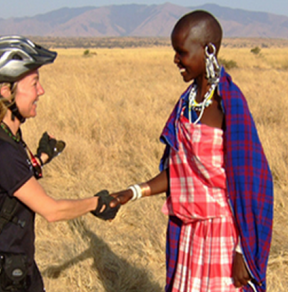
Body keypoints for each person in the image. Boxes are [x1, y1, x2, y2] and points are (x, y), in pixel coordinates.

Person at [107, 11, 275, 292]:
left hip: (224, 235)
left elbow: (255, 184)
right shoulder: (186, 104)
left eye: (181, 52)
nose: (175, 60)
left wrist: (243, 250)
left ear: (208, 50)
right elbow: (180, 174)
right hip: (190, 234)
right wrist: (132, 193)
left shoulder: (229, 104)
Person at [0, 36, 119, 292]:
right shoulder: (1, 151)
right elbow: (52, 210)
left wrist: (42, 158)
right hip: (6, 280)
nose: (41, 91)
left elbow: (10, 186)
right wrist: (96, 203)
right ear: (6, 90)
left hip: (12, 270)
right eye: (34, 83)